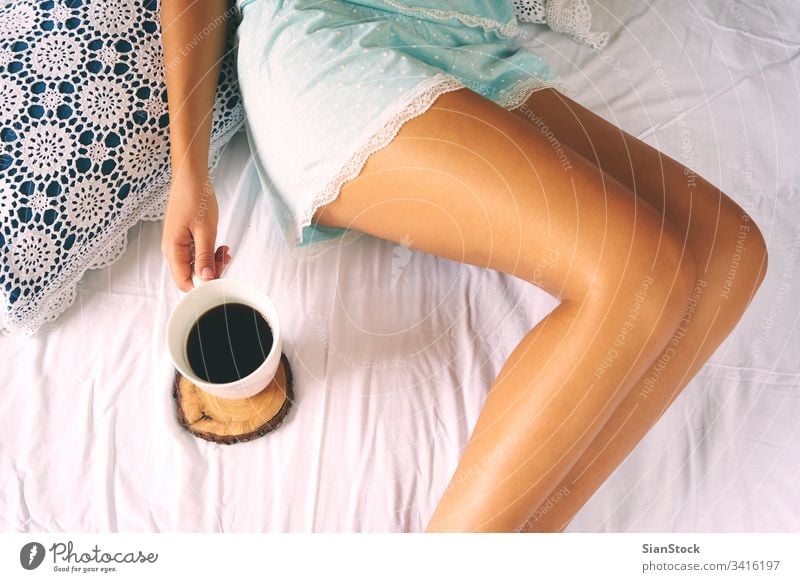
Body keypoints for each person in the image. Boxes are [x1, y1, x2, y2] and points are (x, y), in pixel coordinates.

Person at [160, 0, 768, 532]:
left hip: (462, 39)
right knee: (638, 272)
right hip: (329, 41)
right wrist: (190, 173)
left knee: (729, 250)